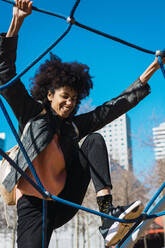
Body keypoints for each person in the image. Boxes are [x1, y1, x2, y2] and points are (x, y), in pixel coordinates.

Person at [0, 1, 164, 247]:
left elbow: (109, 110)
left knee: (94, 140)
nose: (69, 103)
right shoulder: (31, 113)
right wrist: (17, 23)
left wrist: (146, 75)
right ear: (49, 95)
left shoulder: (72, 127)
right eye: (64, 96)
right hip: (33, 204)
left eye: (74, 99)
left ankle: (108, 217)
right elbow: (5, 73)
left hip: (63, 200)